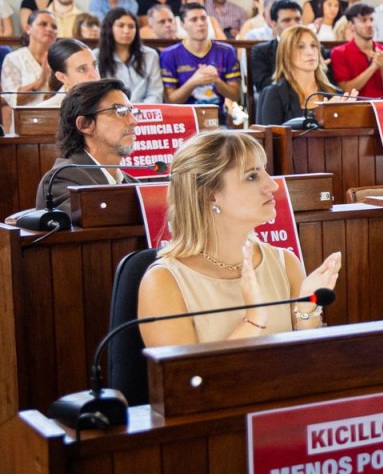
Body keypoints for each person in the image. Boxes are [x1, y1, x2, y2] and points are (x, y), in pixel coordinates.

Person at [136, 130, 342, 346]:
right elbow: (186, 378)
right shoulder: (162, 283)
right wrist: (253, 320)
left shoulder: (285, 263)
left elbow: (309, 361)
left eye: (265, 171)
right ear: (209, 195)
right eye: (252, 176)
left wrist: (306, 310)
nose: (272, 185)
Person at [33, 78, 139, 211]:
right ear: (85, 124)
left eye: (133, 112)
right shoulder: (61, 179)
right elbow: (98, 221)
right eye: (121, 111)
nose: (134, 121)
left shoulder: (133, 183)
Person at [160, 3, 242, 123]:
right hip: (183, 120)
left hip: (218, 119)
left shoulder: (226, 51)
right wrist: (194, 81)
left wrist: (216, 80)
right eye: (194, 20)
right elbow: (171, 101)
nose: (200, 23)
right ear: (182, 24)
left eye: (204, 18)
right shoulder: (169, 54)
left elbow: (235, 96)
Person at [257, 26, 344, 125]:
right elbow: (272, 138)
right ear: (286, 53)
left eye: (313, 45)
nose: (310, 52)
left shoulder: (335, 94)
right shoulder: (275, 94)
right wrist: (323, 117)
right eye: (301, 47)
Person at [331, 2, 383, 100]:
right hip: (354, 108)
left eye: (371, 20)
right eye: (363, 20)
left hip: (381, 107)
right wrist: (373, 67)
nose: (369, 24)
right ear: (351, 25)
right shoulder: (339, 52)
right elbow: (347, 91)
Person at [97, 8, 163, 104]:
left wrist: (138, 111)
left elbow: (155, 93)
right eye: (121, 26)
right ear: (109, 28)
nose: (126, 31)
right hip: (110, 112)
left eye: (131, 26)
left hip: (144, 112)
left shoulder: (150, 55)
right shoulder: (96, 56)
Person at [2, 10, 59, 117]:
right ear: (28, 29)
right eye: (43, 24)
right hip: (24, 123)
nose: (50, 29)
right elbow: (12, 99)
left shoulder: (60, 59)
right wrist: (40, 82)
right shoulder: (14, 59)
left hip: (56, 120)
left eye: (54, 27)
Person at [248, 0, 304, 93]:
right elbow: (263, 86)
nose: (294, 25)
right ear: (274, 24)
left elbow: (328, 86)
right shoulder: (262, 51)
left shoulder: (316, 49)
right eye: (287, 20)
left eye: (297, 19)